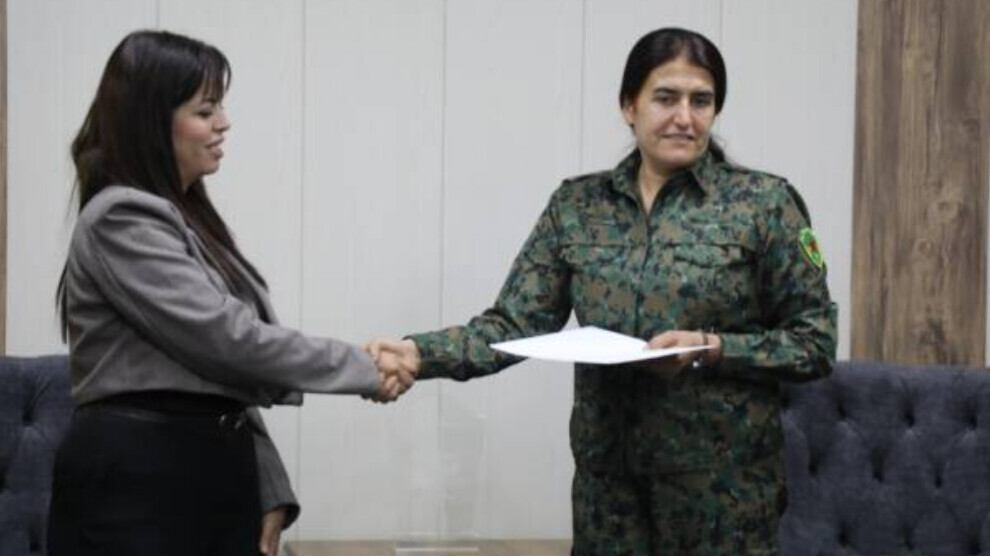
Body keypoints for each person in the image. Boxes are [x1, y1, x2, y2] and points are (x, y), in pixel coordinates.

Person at [370, 27, 837, 556]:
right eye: (666, 98)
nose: (684, 117)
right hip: (609, 498)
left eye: (701, 101)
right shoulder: (577, 206)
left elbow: (814, 343)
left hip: (722, 500)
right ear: (628, 106)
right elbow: (515, 324)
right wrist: (418, 354)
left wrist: (710, 348)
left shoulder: (764, 205)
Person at [49, 30, 404, 556]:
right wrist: (366, 366)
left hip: (202, 474)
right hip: (142, 485)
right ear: (152, 120)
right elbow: (228, 340)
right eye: (205, 110)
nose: (224, 122)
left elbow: (215, 371)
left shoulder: (184, 217)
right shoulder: (122, 218)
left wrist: (269, 482)